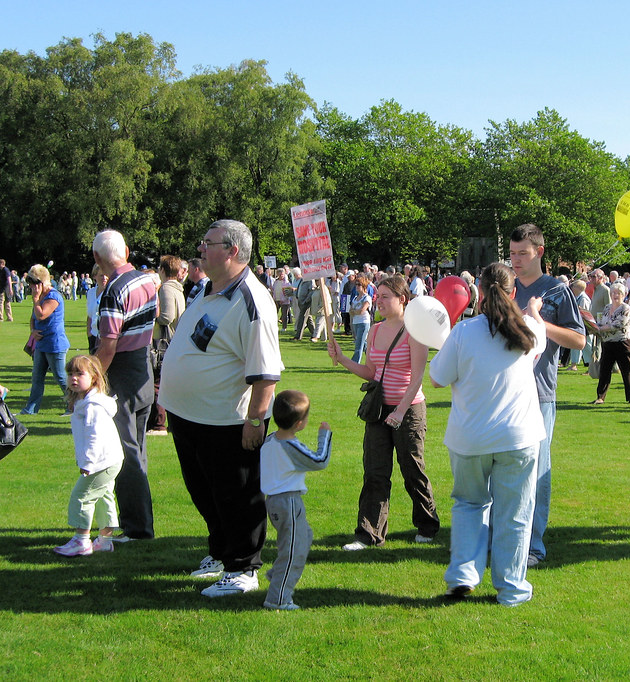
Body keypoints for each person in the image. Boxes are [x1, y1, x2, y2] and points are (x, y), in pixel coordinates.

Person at [159, 219, 284, 597]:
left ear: (232, 251)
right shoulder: (207, 290)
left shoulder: (252, 301)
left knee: (237, 495)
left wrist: (255, 421)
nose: (200, 248)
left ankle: (243, 569)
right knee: (206, 493)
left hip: (226, 421)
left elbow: (266, 373)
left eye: (208, 243)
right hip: (189, 416)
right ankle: (220, 553)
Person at [430, 263, 547, 605]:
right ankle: (511, 588)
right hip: (518, 437)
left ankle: (463, 575)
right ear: (513, 293)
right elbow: (538, 335)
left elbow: (437, 377)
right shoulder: (527, 328)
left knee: (469, 504)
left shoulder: (464, 333)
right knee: (514, 512)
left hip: (471, 437)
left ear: (479, 293)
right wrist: (535, 310)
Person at [327, 275, 440, 551]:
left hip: (409, 410)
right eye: (378, 295)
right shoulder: (375, 331)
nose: (379, 300)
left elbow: (417, 379)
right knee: (375, 472)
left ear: (403, 300)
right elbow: (370, 372)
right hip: (378, 411)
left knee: (412, 469)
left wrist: (400, 412)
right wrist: (341, 359)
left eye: (386, 296)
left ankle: (427, 524)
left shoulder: (416, 331)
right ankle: (368, 534)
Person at [509, 224, 585, 568]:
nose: (516, 260)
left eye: (522, 253)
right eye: (512, 253)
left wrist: (537, 319)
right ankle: (507, 537)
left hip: (539, 393)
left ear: (539, 252)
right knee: (505, 469)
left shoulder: (556, 290)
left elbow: (578, 340)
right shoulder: (504, 288)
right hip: (502, 392)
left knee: (538, 470)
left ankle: (534, 546)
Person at [92, 230, 158, 542]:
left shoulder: (114, 290)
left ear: (97, 258)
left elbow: (107, 346)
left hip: (122, 375)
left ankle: (138, 529)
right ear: (126, 251)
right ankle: (140, 523)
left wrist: (89, 383)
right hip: (143, 370)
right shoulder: (146, 279)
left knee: (125, 454)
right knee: (137, 451)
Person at [260, 390, 332, 611]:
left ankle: (277, 575)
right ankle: (278, 599)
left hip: (273, 502)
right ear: (300, 423)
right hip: (288, 502)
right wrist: (325, 436)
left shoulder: (271, 439)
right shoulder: (291, 446)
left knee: (302, 538)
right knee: (293, 552)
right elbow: (319, 461)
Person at [53, 355, 124, 557]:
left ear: (94, 377)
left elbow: (95, 436)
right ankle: (105, 540)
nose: (73, 378)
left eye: (79, 373)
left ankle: (81, 540)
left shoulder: (94, 407)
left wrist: (88, 463)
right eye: (70, 374)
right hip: (109, 459)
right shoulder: (85, 402)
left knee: (82, 497)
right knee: (103, 495)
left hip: (102, 461)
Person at [20, 265, 71, 415]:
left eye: (33, 284)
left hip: (55, 344)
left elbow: (42, 315)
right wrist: (32, 331)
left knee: (61, 377)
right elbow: (33, 317)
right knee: (37, 378)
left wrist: (36, 299)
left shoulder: (53, 296)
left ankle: (73, 405)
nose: (31, 287)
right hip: (41, 344)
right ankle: (30, 409)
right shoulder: (41, 296)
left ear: (41, 283)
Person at [148, 255, 186, 436]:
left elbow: (167, 317)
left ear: (162, 270)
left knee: (157, 383)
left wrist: (151, 316)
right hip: (175, 341)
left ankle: (159, 424)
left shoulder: (166, 289)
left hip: (164, 342)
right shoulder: (178, 289)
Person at [592, 281, 630, 405]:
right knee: (604, 370)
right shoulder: (606, 308)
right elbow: (601, 322)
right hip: (608, 342)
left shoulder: (625, 308)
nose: (615, 295)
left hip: (623, 342)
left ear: (623, 295)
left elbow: (618, 324)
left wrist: (601, 328)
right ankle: (600, 397)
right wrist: (595, 327)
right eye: (613, 293)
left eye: (619, 293)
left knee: (626, 370)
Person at [349, 276, 373, 362]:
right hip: (355, 322)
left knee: (359, 344)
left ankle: (354, 362)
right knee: (364, 343)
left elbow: (362, 311)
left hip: (363, 322)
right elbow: (351, 310)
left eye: (359, 285)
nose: (357, 286)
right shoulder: (355, 298)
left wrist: (355, 311)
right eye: (356, 285)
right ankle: (373, 359)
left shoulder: (367, 298)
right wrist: (355, 311)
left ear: (364, 286)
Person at [0, 258, 13, 322]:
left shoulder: (5, 270)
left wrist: (10, 289)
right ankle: (6, 317)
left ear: (2, 264)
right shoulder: (2, 270)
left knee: (4, 303)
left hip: (5, 288)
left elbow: (9, 279)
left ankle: (6, 317)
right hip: (3, 288)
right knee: (3, 303)